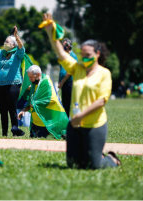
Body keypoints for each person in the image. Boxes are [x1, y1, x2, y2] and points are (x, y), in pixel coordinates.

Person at [41, 13, 121, 169]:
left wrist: (80, 116)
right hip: (75, 125)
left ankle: (110, 159)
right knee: (73, 164)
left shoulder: (104, 73)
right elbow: (60, 52)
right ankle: (92, 153)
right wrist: (51, 32)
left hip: (94, 124)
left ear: (97, 54)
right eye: (82, 55)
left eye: (88, 55)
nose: (84, 58)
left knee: (93, 166)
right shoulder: (77, 68)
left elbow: (101, 101)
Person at [17, 65, 68, 139]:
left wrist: (35, 103)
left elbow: (52, 99)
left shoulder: (46, 82)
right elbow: (31, 101)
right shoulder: (34, 84)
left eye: (31, 77)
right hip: (36, 124)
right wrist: (24, 110)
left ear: (37, 75)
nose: (30, 79)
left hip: (47, 123)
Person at [58, 38, 78, 117]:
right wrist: (60, 82)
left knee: (71, 103)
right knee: (65, 104)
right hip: (63, 83)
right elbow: (61, 70)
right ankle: (66, 122)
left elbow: (70, 72)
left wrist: (61, 82)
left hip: (70, 83)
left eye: (63, 45)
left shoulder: (73, 56)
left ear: (68, 46)